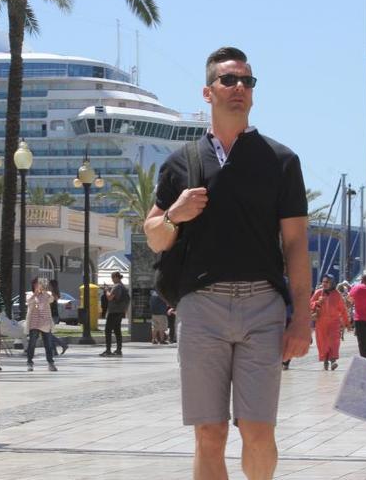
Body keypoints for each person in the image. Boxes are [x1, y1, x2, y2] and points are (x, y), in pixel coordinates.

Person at [144, 46, 312, 480]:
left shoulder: (281, 160)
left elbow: (295, 244)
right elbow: (155, 237)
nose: (239, 88)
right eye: (228, 80)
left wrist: (302, 317)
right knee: (209, 431)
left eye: (247, 81)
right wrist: (173, 214)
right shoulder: (181, 163)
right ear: (207, 91)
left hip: (263, 307)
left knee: (258, 428)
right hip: (201, 307)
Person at [310, 274, 350, 370]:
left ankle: (333, 360)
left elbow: (343, 310)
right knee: (322, 343)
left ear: (332, 283)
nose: (324, 284)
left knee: (334, 341)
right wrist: (316, 303)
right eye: (323, 282)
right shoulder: (318, 293)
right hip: (321, 322)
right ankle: (325, 360)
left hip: (334, 323)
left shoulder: (337, 295)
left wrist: (347, 323)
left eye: (327, 282)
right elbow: (309, 304)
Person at [25, 277, 57, 372]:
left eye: (41, 284)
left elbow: (51, 299)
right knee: (32, 343)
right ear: (33, 285)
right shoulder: (29, 294)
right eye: (37, 284)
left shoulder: (47, 294)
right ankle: (30, 362)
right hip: (34, 323)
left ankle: (50, 363)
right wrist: (35, 293)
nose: (39, 285)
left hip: (45, 323)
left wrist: (44, 291)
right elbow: (28, 302)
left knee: (48, 344)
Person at [100, 272, 129, 357]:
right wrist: (109, 288)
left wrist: (106, 290)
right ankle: (118, 350)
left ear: (116, 277)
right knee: (117, 330)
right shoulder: (123, 287)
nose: (112, 280)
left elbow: (110, 297)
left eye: (112, 278)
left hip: (113, 311)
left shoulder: (116, 286)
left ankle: (108, 350)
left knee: (108, 330)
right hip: (120, 311)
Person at [47, 279, 68, 355]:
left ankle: (63, 345)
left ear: (52, 286)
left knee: (48, 334)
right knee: (48, 334)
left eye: (49, 285)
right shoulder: (53, 293)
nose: (48, 286)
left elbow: (49, 304)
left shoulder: (53, 294)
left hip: (53, 316)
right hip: (53, 316)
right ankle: (54, 351)